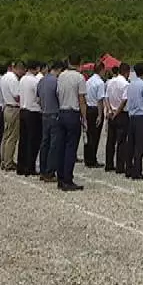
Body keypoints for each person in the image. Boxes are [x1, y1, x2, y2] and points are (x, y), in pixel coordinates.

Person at [56, 53, 87, 191]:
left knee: (61, 147)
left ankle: (60, 177)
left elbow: (57, 93)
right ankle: (68, 179)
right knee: (71, 148)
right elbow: (81, 99)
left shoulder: (61, 75)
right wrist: (84, 117)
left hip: (61, 111)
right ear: (80, 63)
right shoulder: (80, 78)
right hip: (72, 112)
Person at [37, 61, 63, 182]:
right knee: (54, 145)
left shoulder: (41, 81)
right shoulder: (56, 82)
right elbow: (59, 97)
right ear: (58, 70)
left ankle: (42, 170)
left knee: (44, 143)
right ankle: (50, 171)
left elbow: (38, 98)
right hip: (54, 114)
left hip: (44, 114)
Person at [126, 62, 143, 180]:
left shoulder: (130, 84)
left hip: (131, 116)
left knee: (130, 144)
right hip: (141, 116)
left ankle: (129, 169)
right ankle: (137, 171)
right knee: (140, 145)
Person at [105, 63, 130, 174]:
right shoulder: (125, 84)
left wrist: (110, 110)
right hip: (121, 113)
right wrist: (117, 112)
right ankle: (120, 166)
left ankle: (109, 164)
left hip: (111, 112)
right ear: (127, 72)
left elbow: (106, 97)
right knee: (121, 142)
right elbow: (124, 100)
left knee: (110, 140)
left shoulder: (110, 82)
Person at [18, 61, 42, 176]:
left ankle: (21, 166)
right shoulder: (35, 81)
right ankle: (30, 167)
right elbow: (39, 97)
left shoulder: (22, 79)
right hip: (33, 111)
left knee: (23, 140)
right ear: (37, 68)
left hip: (23, 109)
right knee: (33, 141)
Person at [0, 61, 25, 171]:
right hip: (13, 108)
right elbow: (17, 96)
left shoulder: (5, 77)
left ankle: (3, 159)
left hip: (7, 107)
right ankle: (8, 162)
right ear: (19, 69)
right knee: (12, 137)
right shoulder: (13, 79)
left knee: (6, 135)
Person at [84, 62, 105, 168]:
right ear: (101, 70)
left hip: (88, 108)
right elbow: (100, 100)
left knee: (88, 134)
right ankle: (92, 159)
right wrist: (100, 115)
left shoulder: (88, 81)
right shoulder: (100, 83)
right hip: (95, 109)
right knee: (95, 135)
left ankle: (87, 157)